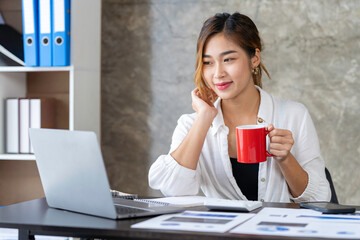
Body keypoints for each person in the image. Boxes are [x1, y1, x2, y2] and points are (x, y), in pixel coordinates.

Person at [148, 12, 331, 202]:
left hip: (278, 230)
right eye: (208, 63)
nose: (218, 73)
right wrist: (204, 118)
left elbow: (320, 198)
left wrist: (286, 159)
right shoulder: (191, 124)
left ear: (254, 58)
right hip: (221, 231)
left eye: (228, 59)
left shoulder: (294, 115)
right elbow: (173, 190)